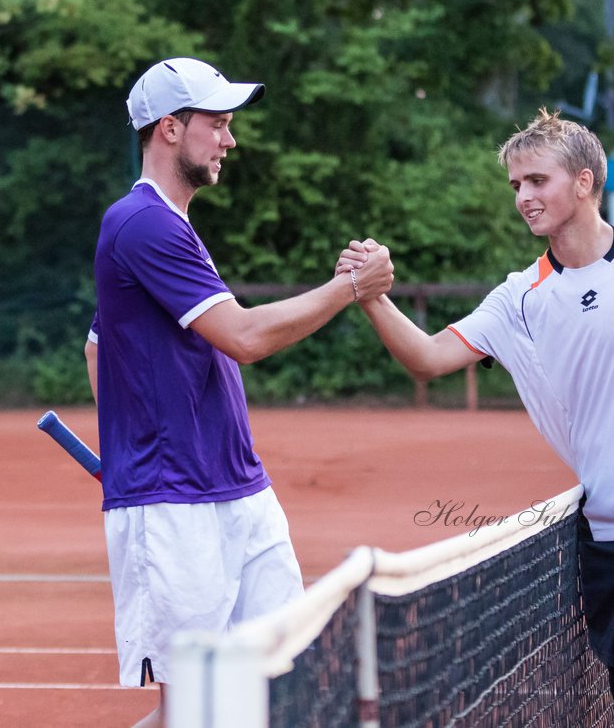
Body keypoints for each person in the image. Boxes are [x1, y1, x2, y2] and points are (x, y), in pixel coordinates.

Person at [339, 109, 614, 727]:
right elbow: (426, 357)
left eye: (537, 181)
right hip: (601, 527)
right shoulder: (518, 298)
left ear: (584, 182)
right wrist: (372, 297)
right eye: (516, 185)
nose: (523, 196)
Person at [85, 57, 393, 728]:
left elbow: (98, 345)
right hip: (176, 502)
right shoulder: (142, 225)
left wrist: (126, 443)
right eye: (217, 125)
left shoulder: (171, 226)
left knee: (270, 680)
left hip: (237, 491)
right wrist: (350, 288)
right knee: (194, 710)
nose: (230, 140)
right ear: (171, 129)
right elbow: (246, 337)